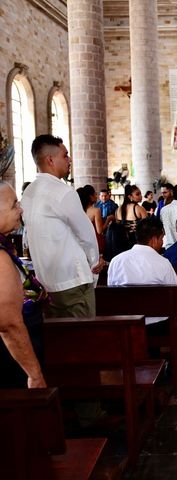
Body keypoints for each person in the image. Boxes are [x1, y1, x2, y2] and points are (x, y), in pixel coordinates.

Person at [22, 135, 105, 318]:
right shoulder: (63, 192)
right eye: (65, 155)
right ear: (51, 160)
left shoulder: (28, 192)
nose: (69, 160)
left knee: (59, 342)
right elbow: (86, 234)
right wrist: (94, 264)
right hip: (73, 281)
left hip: (46, 283)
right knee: (84, 338)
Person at [0, 181, 47, 389]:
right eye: (14, 205)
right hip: (10, 360)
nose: (20, 209)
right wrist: (34, 374)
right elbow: (8, 323)